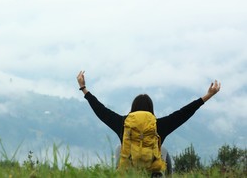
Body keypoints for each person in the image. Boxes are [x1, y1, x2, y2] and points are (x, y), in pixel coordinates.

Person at [76, 70, 221, 175]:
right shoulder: (159, 126)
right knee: (163, 151)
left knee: (118, 149)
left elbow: (101, 111)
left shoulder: (123, 123)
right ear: (151, 110)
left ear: (133, 109)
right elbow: (184, 113)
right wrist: (208, 95)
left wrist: (83, 88)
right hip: (153, 175)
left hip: (128, 175)